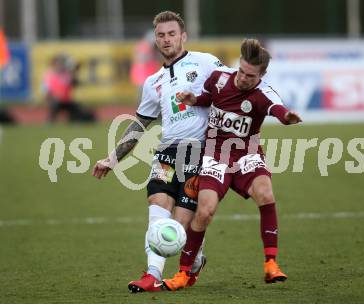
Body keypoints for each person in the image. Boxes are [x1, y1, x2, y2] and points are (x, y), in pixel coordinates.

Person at [92, 11, 224, 293]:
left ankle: (195, 258)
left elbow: (231, 90)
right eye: (161, 35)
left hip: (199, 152)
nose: (166, 39)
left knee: (181, 224)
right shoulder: (153, 82)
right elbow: (140, 124)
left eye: (171, 34)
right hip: (167, 151)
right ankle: (152, 274)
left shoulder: (205, 62)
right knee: (157, 204)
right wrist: (112, 158)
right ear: (156, 40)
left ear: (183, 36)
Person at [163, 39, 302, 291]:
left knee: (266, 193)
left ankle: (271, 263)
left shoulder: (263, 93)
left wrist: (286, 118)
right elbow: (209, 97)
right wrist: (194, 99)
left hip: (247, 154)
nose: (243, 78)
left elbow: (276, 108)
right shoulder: (219, 77)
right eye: (241, 71)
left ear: (261, 75)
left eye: (250, 76)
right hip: (215, 154)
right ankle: (184, 272)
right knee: (204, 212)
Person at [43, 54, 94, 122]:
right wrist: (51, 99)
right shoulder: (49, 75)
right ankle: (51, 119)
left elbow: (74, 81)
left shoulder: (66, 74)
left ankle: (73, 118)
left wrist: (75, 70)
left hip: (67, 101)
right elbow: (46, 92)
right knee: (55, 106)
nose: (60, 65)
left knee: (79, 112)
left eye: (61, 63)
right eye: (58, 63)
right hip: (55, 102)